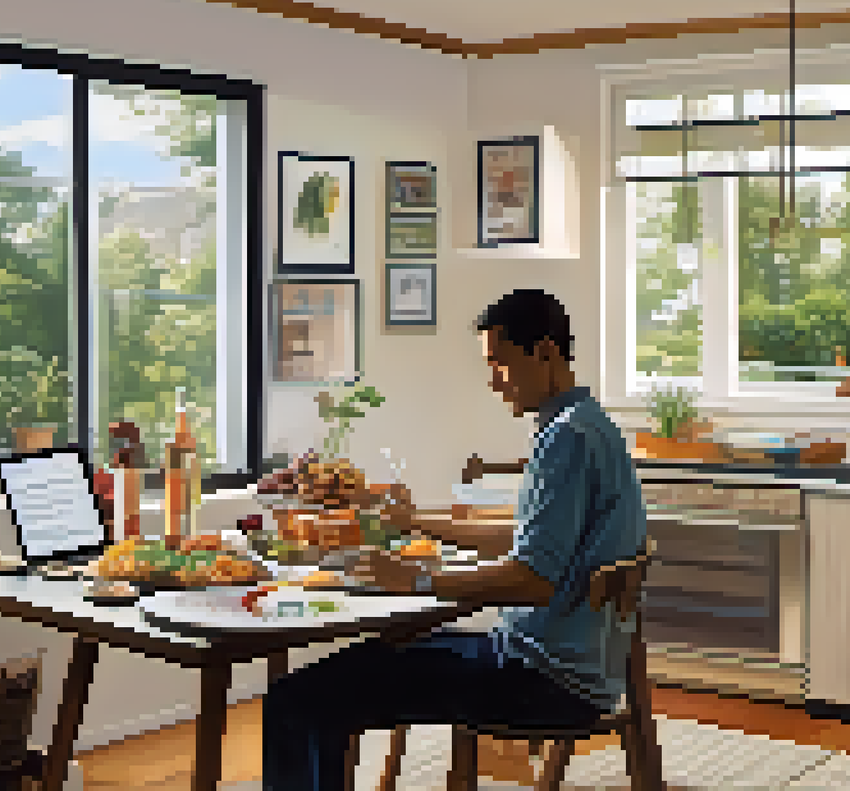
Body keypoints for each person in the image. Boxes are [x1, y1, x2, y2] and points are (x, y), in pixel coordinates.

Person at [261, 289, 647, 791]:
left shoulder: (567, 440)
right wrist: (419, 523)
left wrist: (419, 580)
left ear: (546, 353)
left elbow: (532, 581)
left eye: (501, 364)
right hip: (568, 670)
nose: (493, 382)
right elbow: (527, 538)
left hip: (542, 682)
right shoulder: (593, 427)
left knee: (299, 699)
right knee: (366, 663)